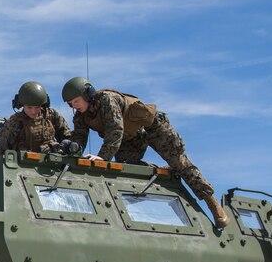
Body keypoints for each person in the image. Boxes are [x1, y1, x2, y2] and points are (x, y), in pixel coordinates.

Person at [61, 76, 229, 228]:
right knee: (129, 168)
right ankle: (162, 171)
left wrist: (102, 158)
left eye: (76, 101)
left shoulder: (107, 100)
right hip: (131, 137)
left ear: (88, 94)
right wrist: (73, 149)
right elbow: (80, 138)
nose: (74, 106)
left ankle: (211, 202)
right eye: (71, 104)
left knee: (179, 162)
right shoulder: (81, 116)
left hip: (152, 128)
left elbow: (115, 130)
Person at [0, 81, 74, 157]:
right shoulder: (14, 122)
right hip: (22, 167)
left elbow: (69, 141)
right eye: (29, 107)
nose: (33, 111)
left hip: (52, 165)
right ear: (21, 104)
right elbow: (1, 153)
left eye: (37, 107)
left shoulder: (51, 115)